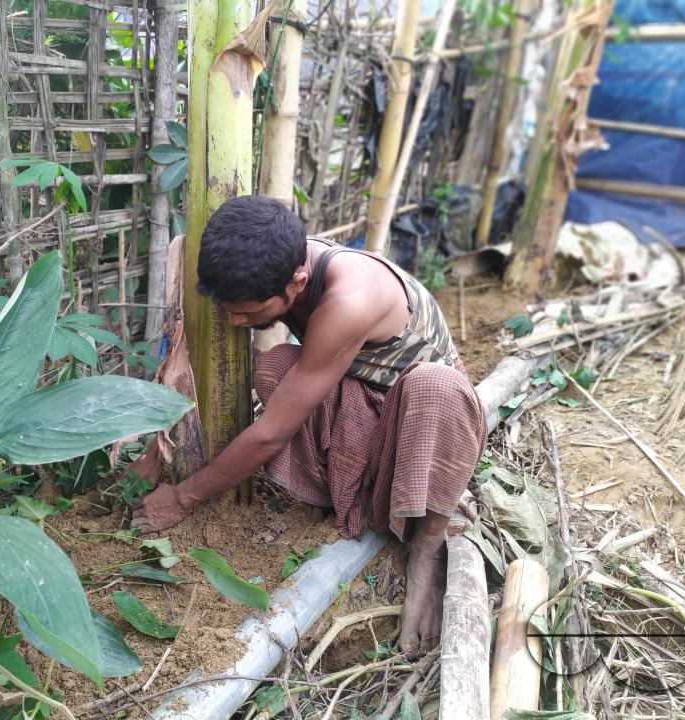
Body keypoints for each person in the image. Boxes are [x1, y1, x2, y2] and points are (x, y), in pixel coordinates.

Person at [130, 195, 486, 653]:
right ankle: (352, 501)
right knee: (276, 367)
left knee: (433, 385)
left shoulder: (350, 299)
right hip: (366, 406)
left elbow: (271, 434)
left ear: (297, 282)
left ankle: (427, 543)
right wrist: (157, 449)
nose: (236, 321)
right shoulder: (276, 258)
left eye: (249, 311)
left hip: (426, 433)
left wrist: (183, 496)